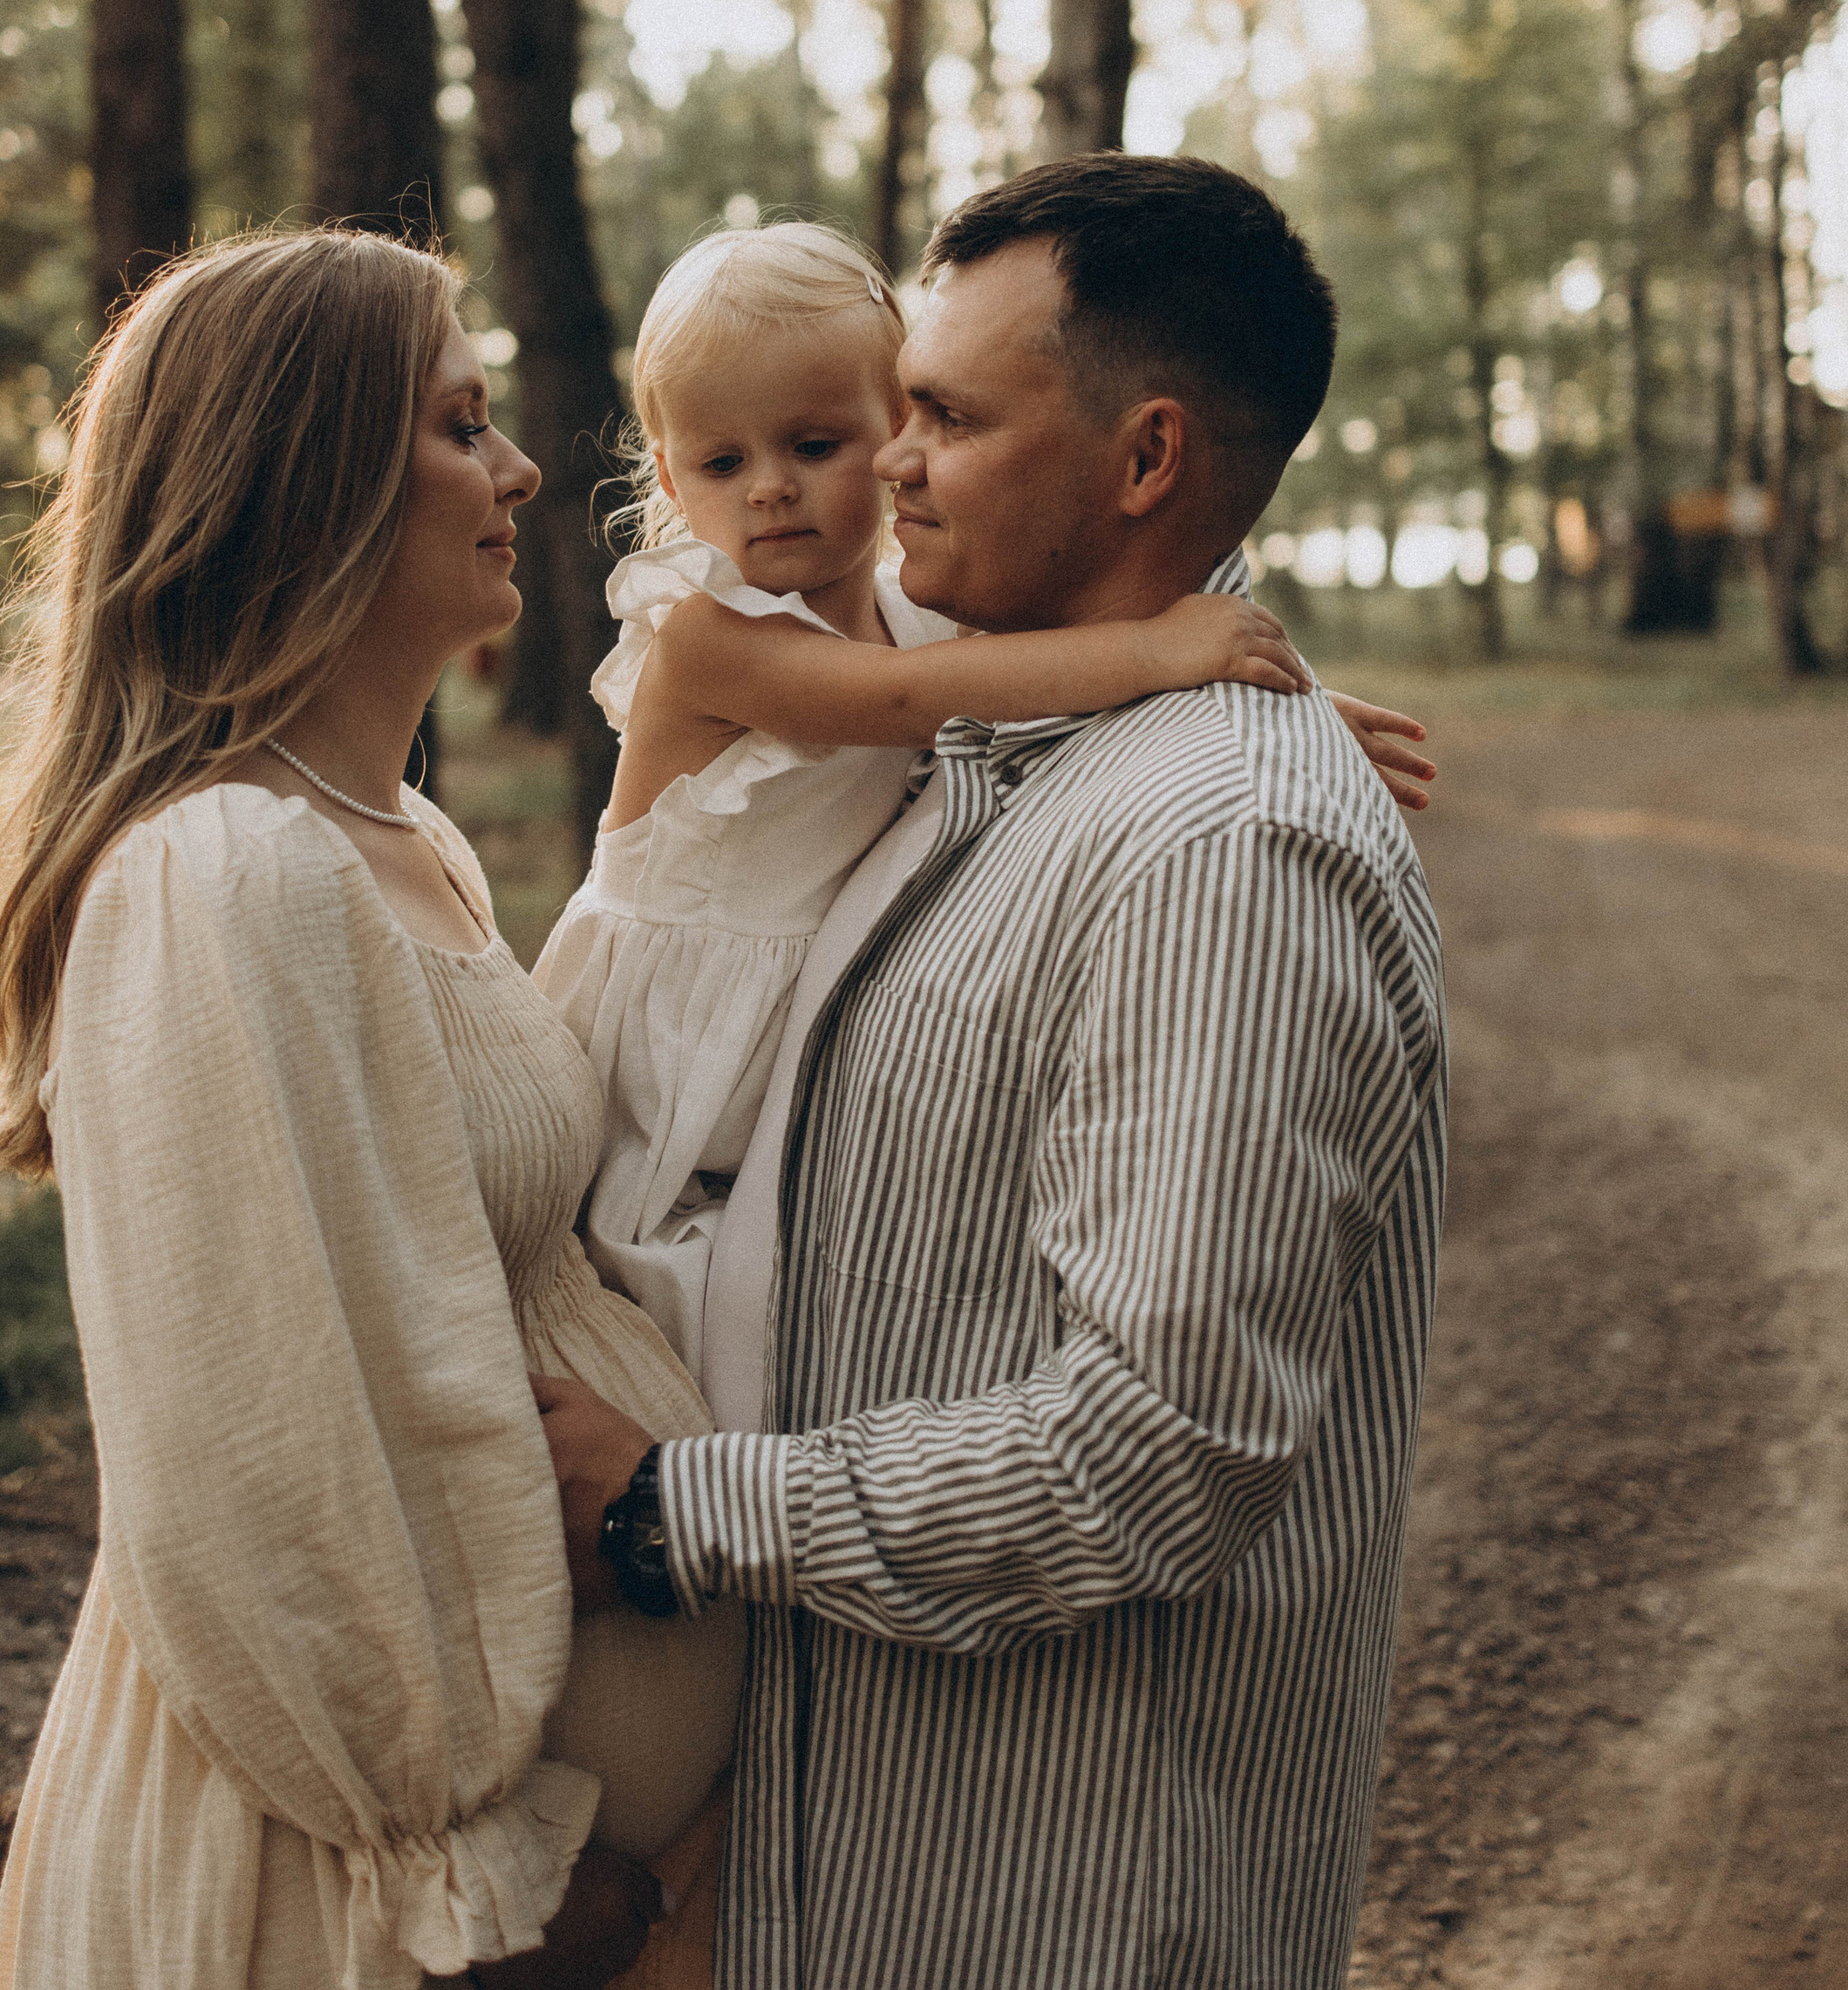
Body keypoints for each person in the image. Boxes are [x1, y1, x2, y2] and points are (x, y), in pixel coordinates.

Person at [534, 157, 1451, 1990]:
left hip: (1047, 1916)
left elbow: (1157, 1450)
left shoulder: (1215, 838)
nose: (883, 472)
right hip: (891, 1856)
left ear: (1143, 455)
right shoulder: (1063, 730)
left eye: (935, 417)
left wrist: (682, 1509)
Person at [0, 229, 784, 1990]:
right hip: (331, 1896)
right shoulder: (221, 872)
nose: (517, 480)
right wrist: (472, 1856)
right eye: (462, 426)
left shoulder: (391, 838)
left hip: (447, 1896)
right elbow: (255, 1439)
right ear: (301, 476)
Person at [536, 219, 1432, 1400]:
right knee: (667, 1308)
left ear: (887, 430)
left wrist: (1289, 701)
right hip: (675, 1029)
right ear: (668, 477)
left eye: (815, 443)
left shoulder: (917, 609)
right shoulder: (706, 637)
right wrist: (1167, 650)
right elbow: (915, 700)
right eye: (718, 464)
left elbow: (1025, 669)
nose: (769, 489)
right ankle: (685, 1509)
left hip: (766, 1011)